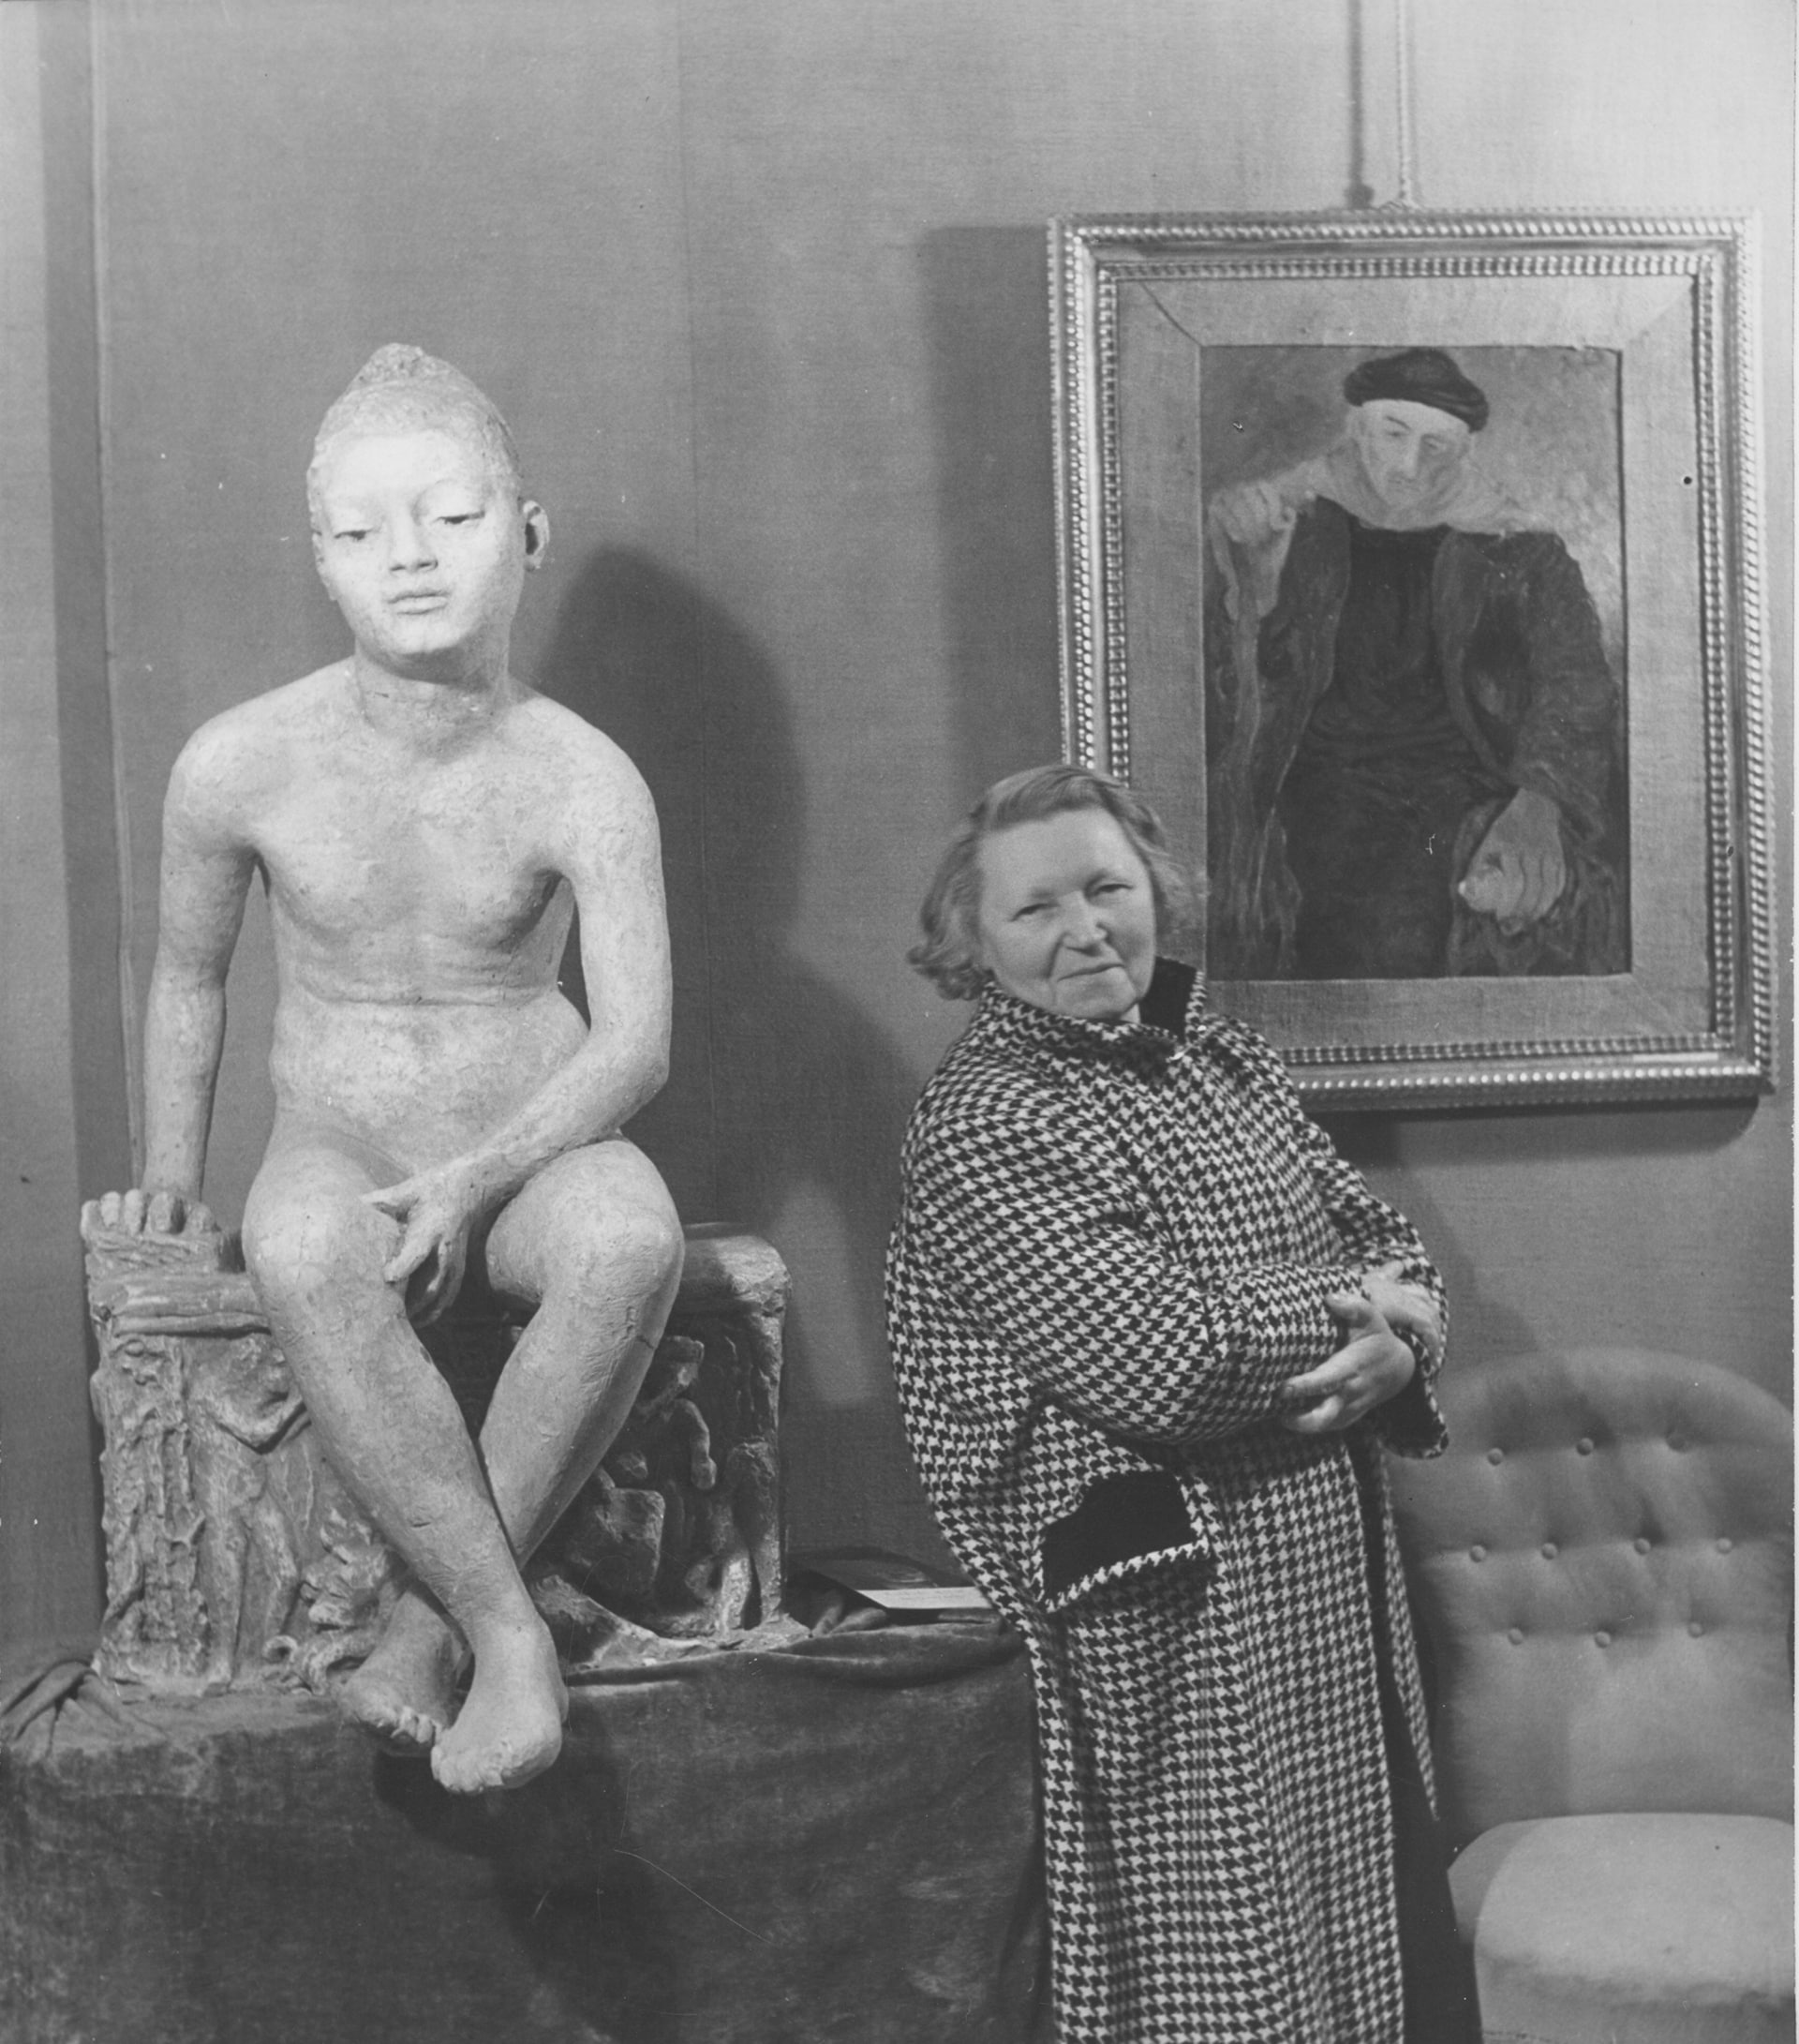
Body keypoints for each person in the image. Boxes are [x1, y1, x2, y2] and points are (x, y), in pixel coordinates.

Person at [85, 345, 684, 1794]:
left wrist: (478, 1182)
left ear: (527, 534)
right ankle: (508, 1633)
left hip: (531, 1137)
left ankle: (424, 1625)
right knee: (302, 1246)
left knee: (630, 1240)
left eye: (452, 518)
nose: (408, 556)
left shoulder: (584, 774)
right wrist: (169, 1181)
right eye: (362, 532)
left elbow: (637, 1042)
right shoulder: (240, 760)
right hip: (342, 1133)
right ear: (323, 560)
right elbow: (188, 977)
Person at [885, 764, 1476, 2043]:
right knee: (1228, 1983)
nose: (1087, 930)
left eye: (1108, 888)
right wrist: (1362, 1309)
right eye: (1036, 908)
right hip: (1173, 1614)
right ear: (973, 943)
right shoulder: (986, 1121)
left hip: (1323, 1577)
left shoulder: (1221, 1055)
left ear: (1156, 890)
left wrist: (1405, 1340)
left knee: (1363, 1960)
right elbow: (1172, 1358)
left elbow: (1387, 1242)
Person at [1206, 346, 1625, 979]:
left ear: (1464, 451)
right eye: (1393, 434)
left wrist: (1541, 799)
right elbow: (1242, 692)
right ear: (1357, 429)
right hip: (1317, 786)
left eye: (1435, 446)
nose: (1408, 465)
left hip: (1462, 788)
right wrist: (1257, 581)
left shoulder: (1520, 550)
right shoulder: (1296, 524)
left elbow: (1578, 685)